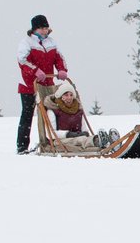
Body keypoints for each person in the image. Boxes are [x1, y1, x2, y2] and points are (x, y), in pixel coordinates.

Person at [16, 14, 68, 154]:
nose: (45, 31)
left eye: (46, 28)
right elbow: (22, 61)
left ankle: (51, 142)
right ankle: (22, 147)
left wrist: (62, 70)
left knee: (51, 113)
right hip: (29, 85)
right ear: (34, 29)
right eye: (42, 28)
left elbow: (59, 58)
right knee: (27, 115)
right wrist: (35, 71)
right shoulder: (26, 42)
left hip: (47, 85)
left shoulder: (51, 42)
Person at [42, 82, 119, 151]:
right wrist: (68, 134)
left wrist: (84, 133)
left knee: (84, 139)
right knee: (80, 140)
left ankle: (109, 141)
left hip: (79, 138)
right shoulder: (53, 111)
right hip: (60, 140)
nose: (69, 98)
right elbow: (51, 134)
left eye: (71, 95)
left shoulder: (77, 110)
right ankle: (100, 142)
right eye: (66, 95)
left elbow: (84, 129)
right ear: (60, 96)